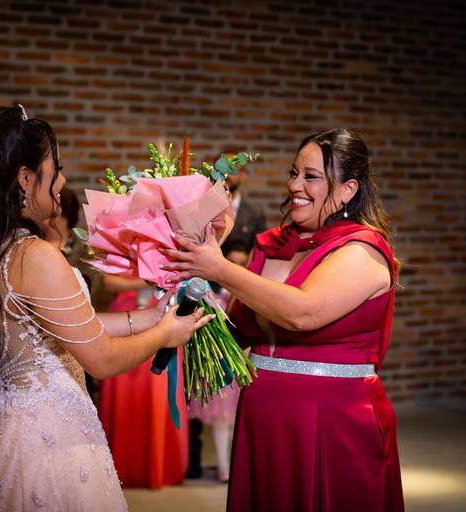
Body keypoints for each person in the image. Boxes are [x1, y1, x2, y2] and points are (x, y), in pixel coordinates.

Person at [0, 106, 212, 511]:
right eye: (56, 169)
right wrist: (165, 335)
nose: (62, 182)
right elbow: (101, 360)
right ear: (25, 178)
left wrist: (148, 318)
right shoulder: (35, 256)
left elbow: (67, 324)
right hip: (44, 441)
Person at [162, 129, 404, 511]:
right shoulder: (273, 245)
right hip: (262, 415)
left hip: (331, 422)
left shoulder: (362, 251)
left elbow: (302, 312)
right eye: (294, 173)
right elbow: (238, 329)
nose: (295, 185)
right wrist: (187, 287)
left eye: (311, 176)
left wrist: (219, 268)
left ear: (347, 189)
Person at [98, 280, 190, 489]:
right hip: (123, 314)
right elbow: (107, 281)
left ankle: (159, 466)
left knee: (158, 391)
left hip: (161, 309)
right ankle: (123, 466)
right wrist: (150, 278)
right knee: (124, 393)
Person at [187, 241, 248, 483]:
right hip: (221, 359)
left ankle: (237, 465)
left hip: (244, 358)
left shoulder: (249, 294)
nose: (237, 267)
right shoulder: (212, 295)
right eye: (232, 262)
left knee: (238, 418)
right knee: (222, 416)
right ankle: (224, 467)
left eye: (242, 263)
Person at [221, 162, 265, 252]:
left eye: (231, 170)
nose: (226, 175)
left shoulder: (255, 213)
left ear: (242, 175)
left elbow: (260, 249)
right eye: (220, 170)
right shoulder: (203, 209)